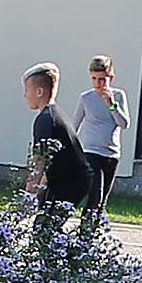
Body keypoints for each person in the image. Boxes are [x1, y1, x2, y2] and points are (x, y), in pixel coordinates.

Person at [22, 64, 92, 208]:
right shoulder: (57, 113)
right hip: (72, 179)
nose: (25, 95)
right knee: (45, 224)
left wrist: (31, 189)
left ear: (39, 91)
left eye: (27, 90)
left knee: (45, 226)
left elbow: (40, 158)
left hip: (69, 181)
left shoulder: (45, 119)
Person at [70, 57, 129, 218]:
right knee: (95, 195)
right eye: (94, 79)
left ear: (111, 78)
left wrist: (111, 104)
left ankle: (94, 232)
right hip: (91, 151)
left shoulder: (118, 96)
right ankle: (85, 235)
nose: (98, 84)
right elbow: (74, 126)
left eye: (102, 79)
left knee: (102, 200)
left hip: (111, 154)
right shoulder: (86, 98)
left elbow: (124, 123)